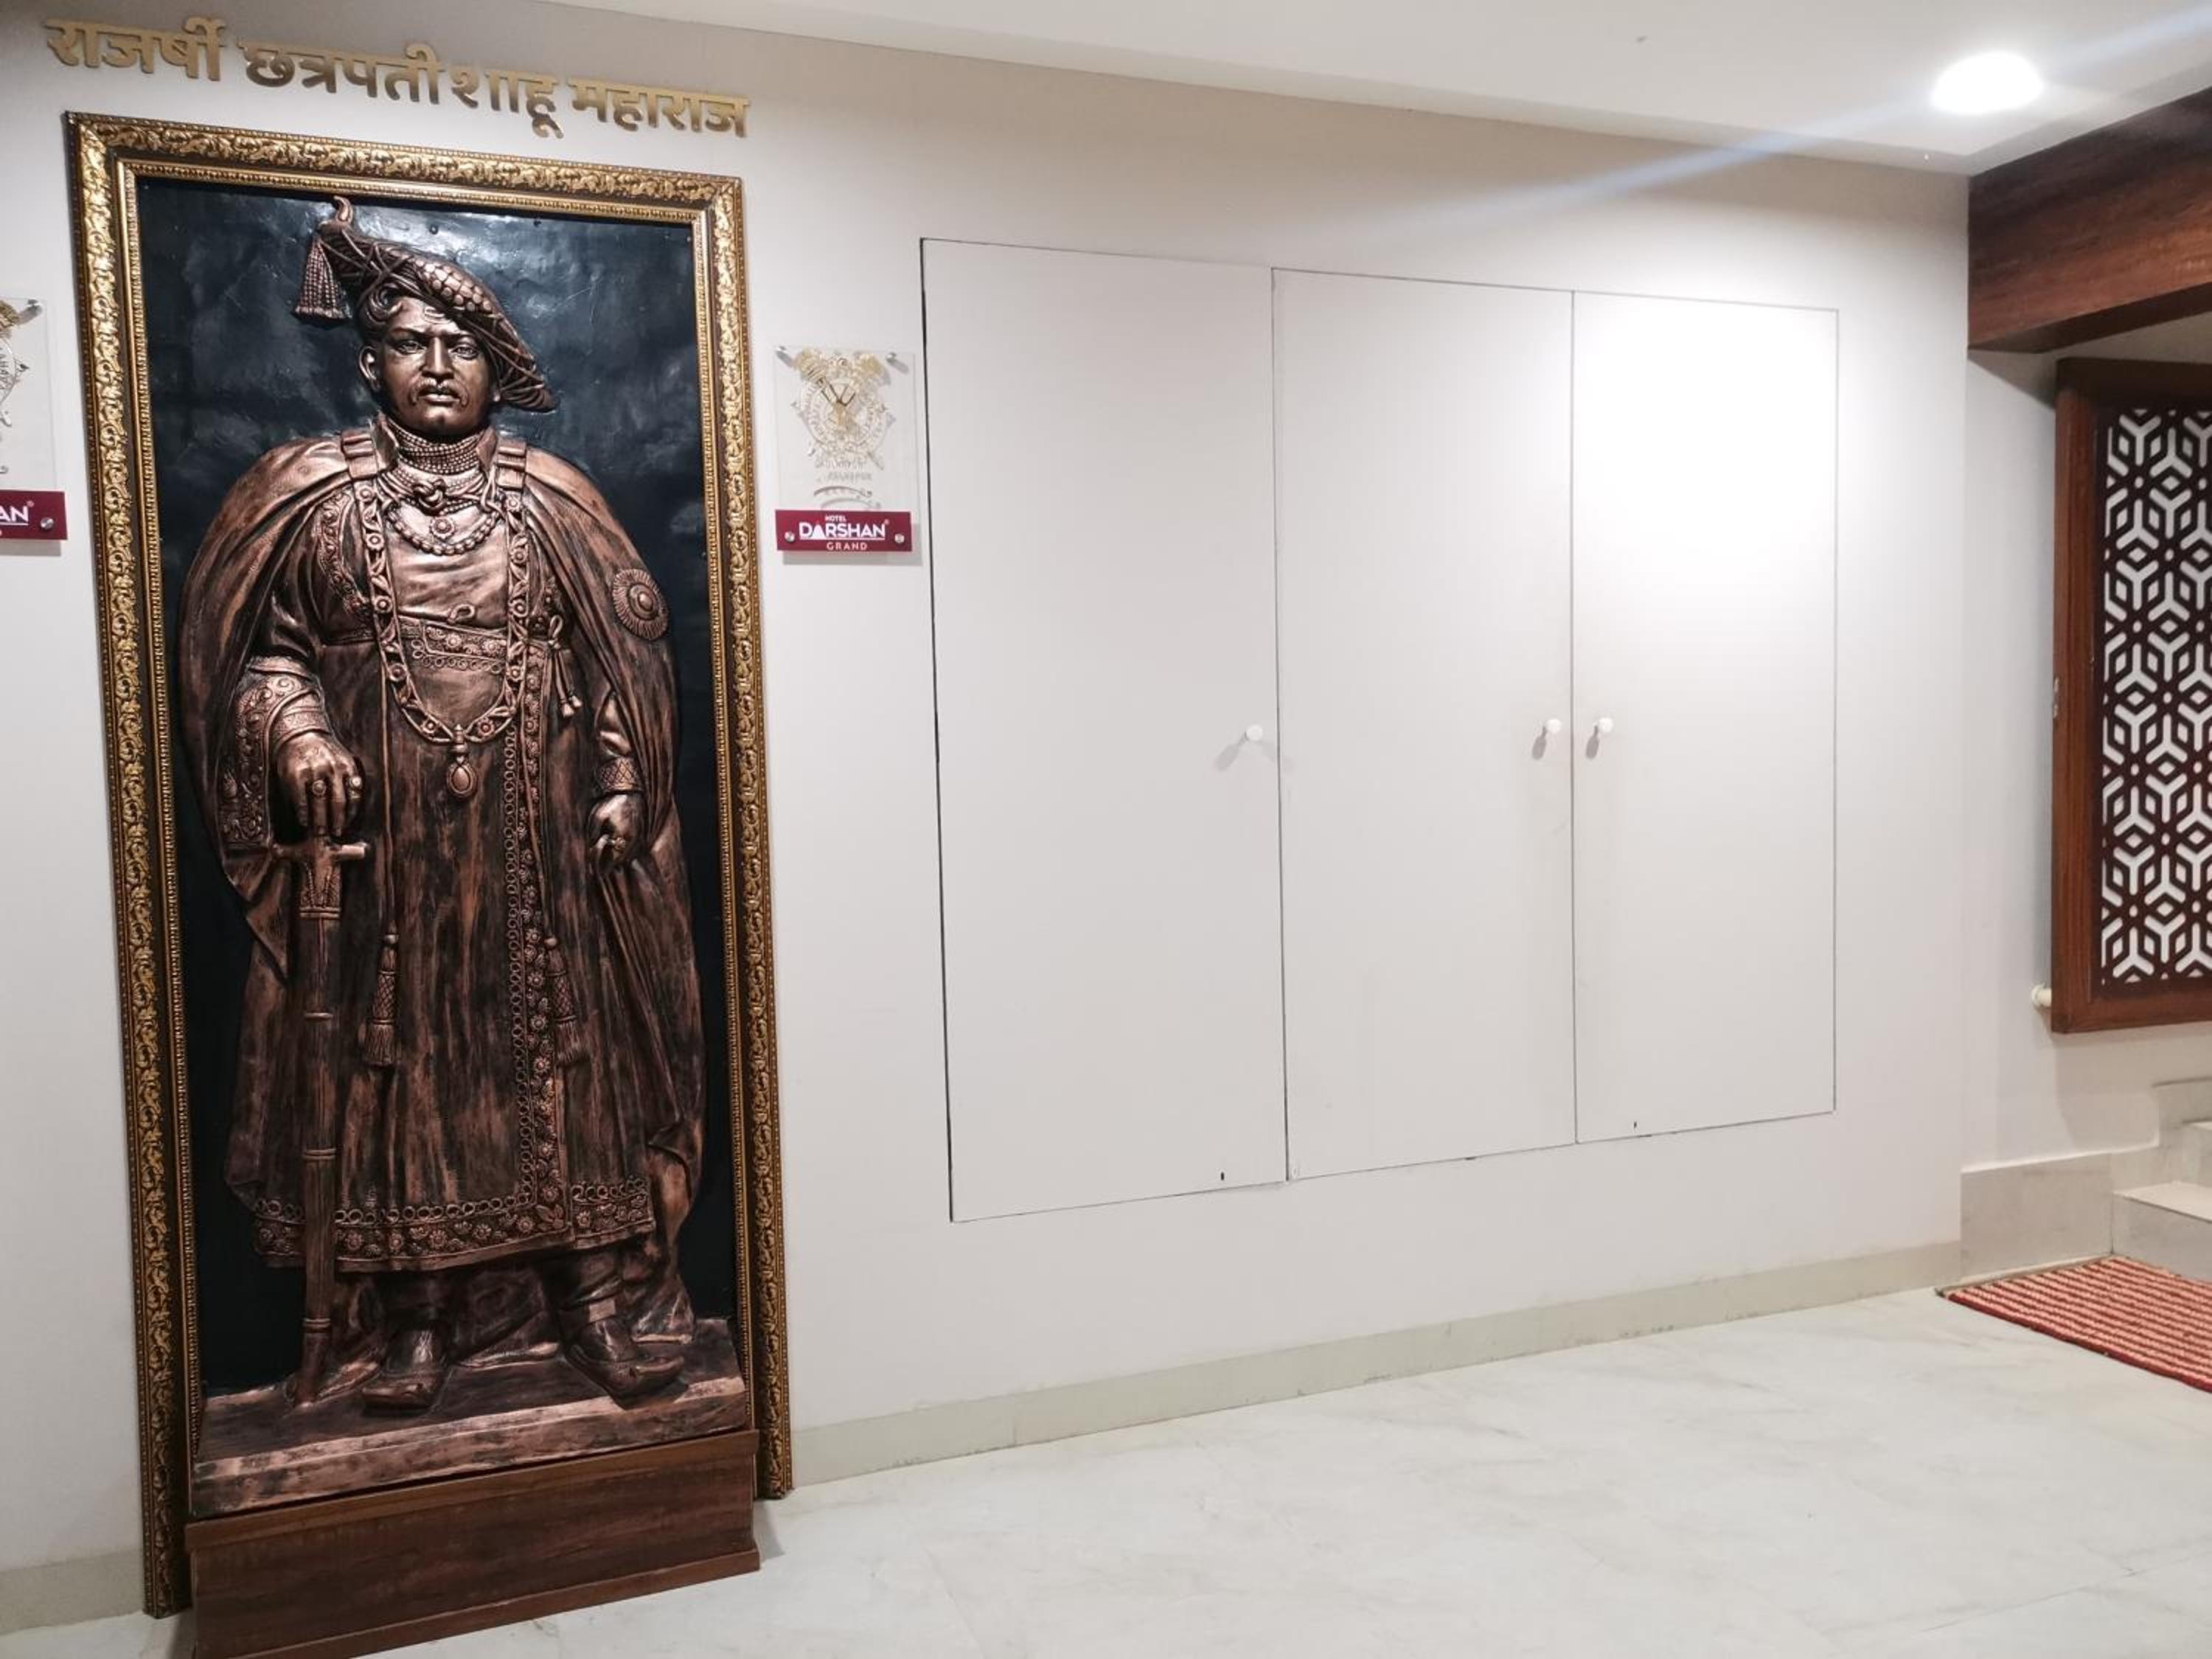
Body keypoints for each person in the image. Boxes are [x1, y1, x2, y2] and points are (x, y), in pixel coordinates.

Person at [179, 198, 706, 1411]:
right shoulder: (318, 502)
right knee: (400, 1069)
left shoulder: (549, 502)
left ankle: (590, 1300)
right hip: (391, 870)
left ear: (494, 370)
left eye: (459, 346)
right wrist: (298, 733)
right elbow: (268, 657)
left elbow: (619, 668)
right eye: (409, 344)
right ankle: (416, 1317)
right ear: (370, 362)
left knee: (563, 1058)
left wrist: (626, 783)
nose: (434, 366)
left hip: (542, 858)